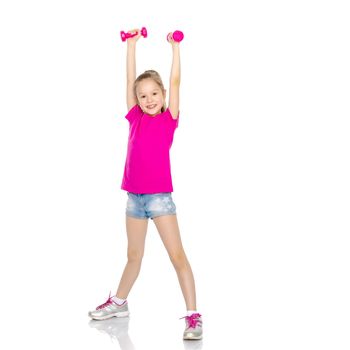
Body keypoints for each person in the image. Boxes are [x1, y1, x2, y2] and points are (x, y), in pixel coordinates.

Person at [88, 28, 202, 340]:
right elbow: (129, 81)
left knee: (177, 256)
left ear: (163, 95)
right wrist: (131, 45)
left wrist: (175, 48)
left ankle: (193, 316)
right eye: (143, 95)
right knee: (133, 255)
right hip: (134, 199)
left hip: (159, 199)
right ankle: (120, 303)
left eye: (154, 94)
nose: (148, 99)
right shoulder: (135, 117)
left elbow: (176, 81)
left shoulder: (169, 118)